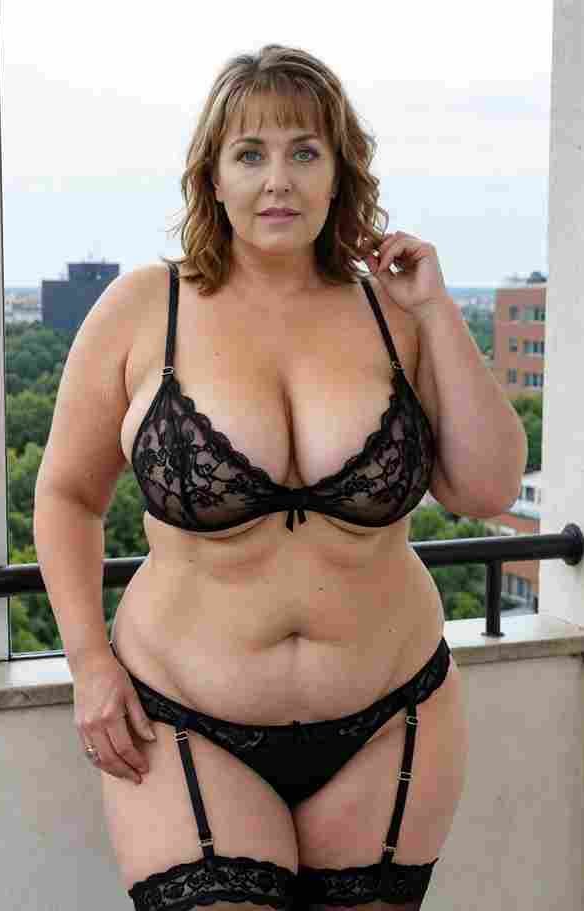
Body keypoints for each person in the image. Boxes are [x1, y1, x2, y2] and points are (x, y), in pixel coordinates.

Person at [33, 43, 527, 911]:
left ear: (338, 174)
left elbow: (485, 490)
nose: (278, 181)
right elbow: (69, 494)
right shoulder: (143, 309)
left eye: (304, 152)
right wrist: (88, 662)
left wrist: (435, 309)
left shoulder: (396, 315)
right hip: (183, 720)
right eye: (250, 154)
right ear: (212, 177)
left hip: (393, 716)